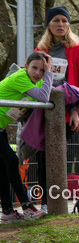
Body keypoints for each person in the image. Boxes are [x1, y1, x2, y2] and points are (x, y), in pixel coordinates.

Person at [35, 6, 79, 189]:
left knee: (59, 154)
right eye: (56, 20)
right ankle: (45, 199)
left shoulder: (78, 49)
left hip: (68, 111)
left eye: (64, 21)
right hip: (44, 108)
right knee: (41, 155)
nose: (61, 24)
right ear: (48, 25)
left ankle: (57, 197)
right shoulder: (41, 50)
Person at [0, 52, 52, 221]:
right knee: (12, 160)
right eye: (34, 68)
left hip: (1, 127)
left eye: (42, 70)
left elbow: (48, 93)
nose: (38, 73)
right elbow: (44, 97)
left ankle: (8, 212)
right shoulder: (20, 77)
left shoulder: (39, 81)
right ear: (26, 66)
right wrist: (50, 72)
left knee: (4, 165)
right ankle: (26, 206)